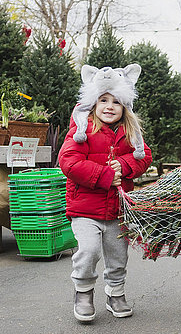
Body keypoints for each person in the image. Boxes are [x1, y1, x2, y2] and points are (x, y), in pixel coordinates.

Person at [59, 64, 153, 322]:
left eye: (116, 102)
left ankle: (115, 293)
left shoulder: (129, 132)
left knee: (117, 256)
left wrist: (124, 165)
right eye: (103, 100)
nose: (109, 106)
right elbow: (69, 163)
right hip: (85, 208)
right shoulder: (82, 132)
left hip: (116, 210)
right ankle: (83, 292)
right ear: (93, 103)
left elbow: (144, 157)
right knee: (88, 250)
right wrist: (106, 175)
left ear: (125, 107)